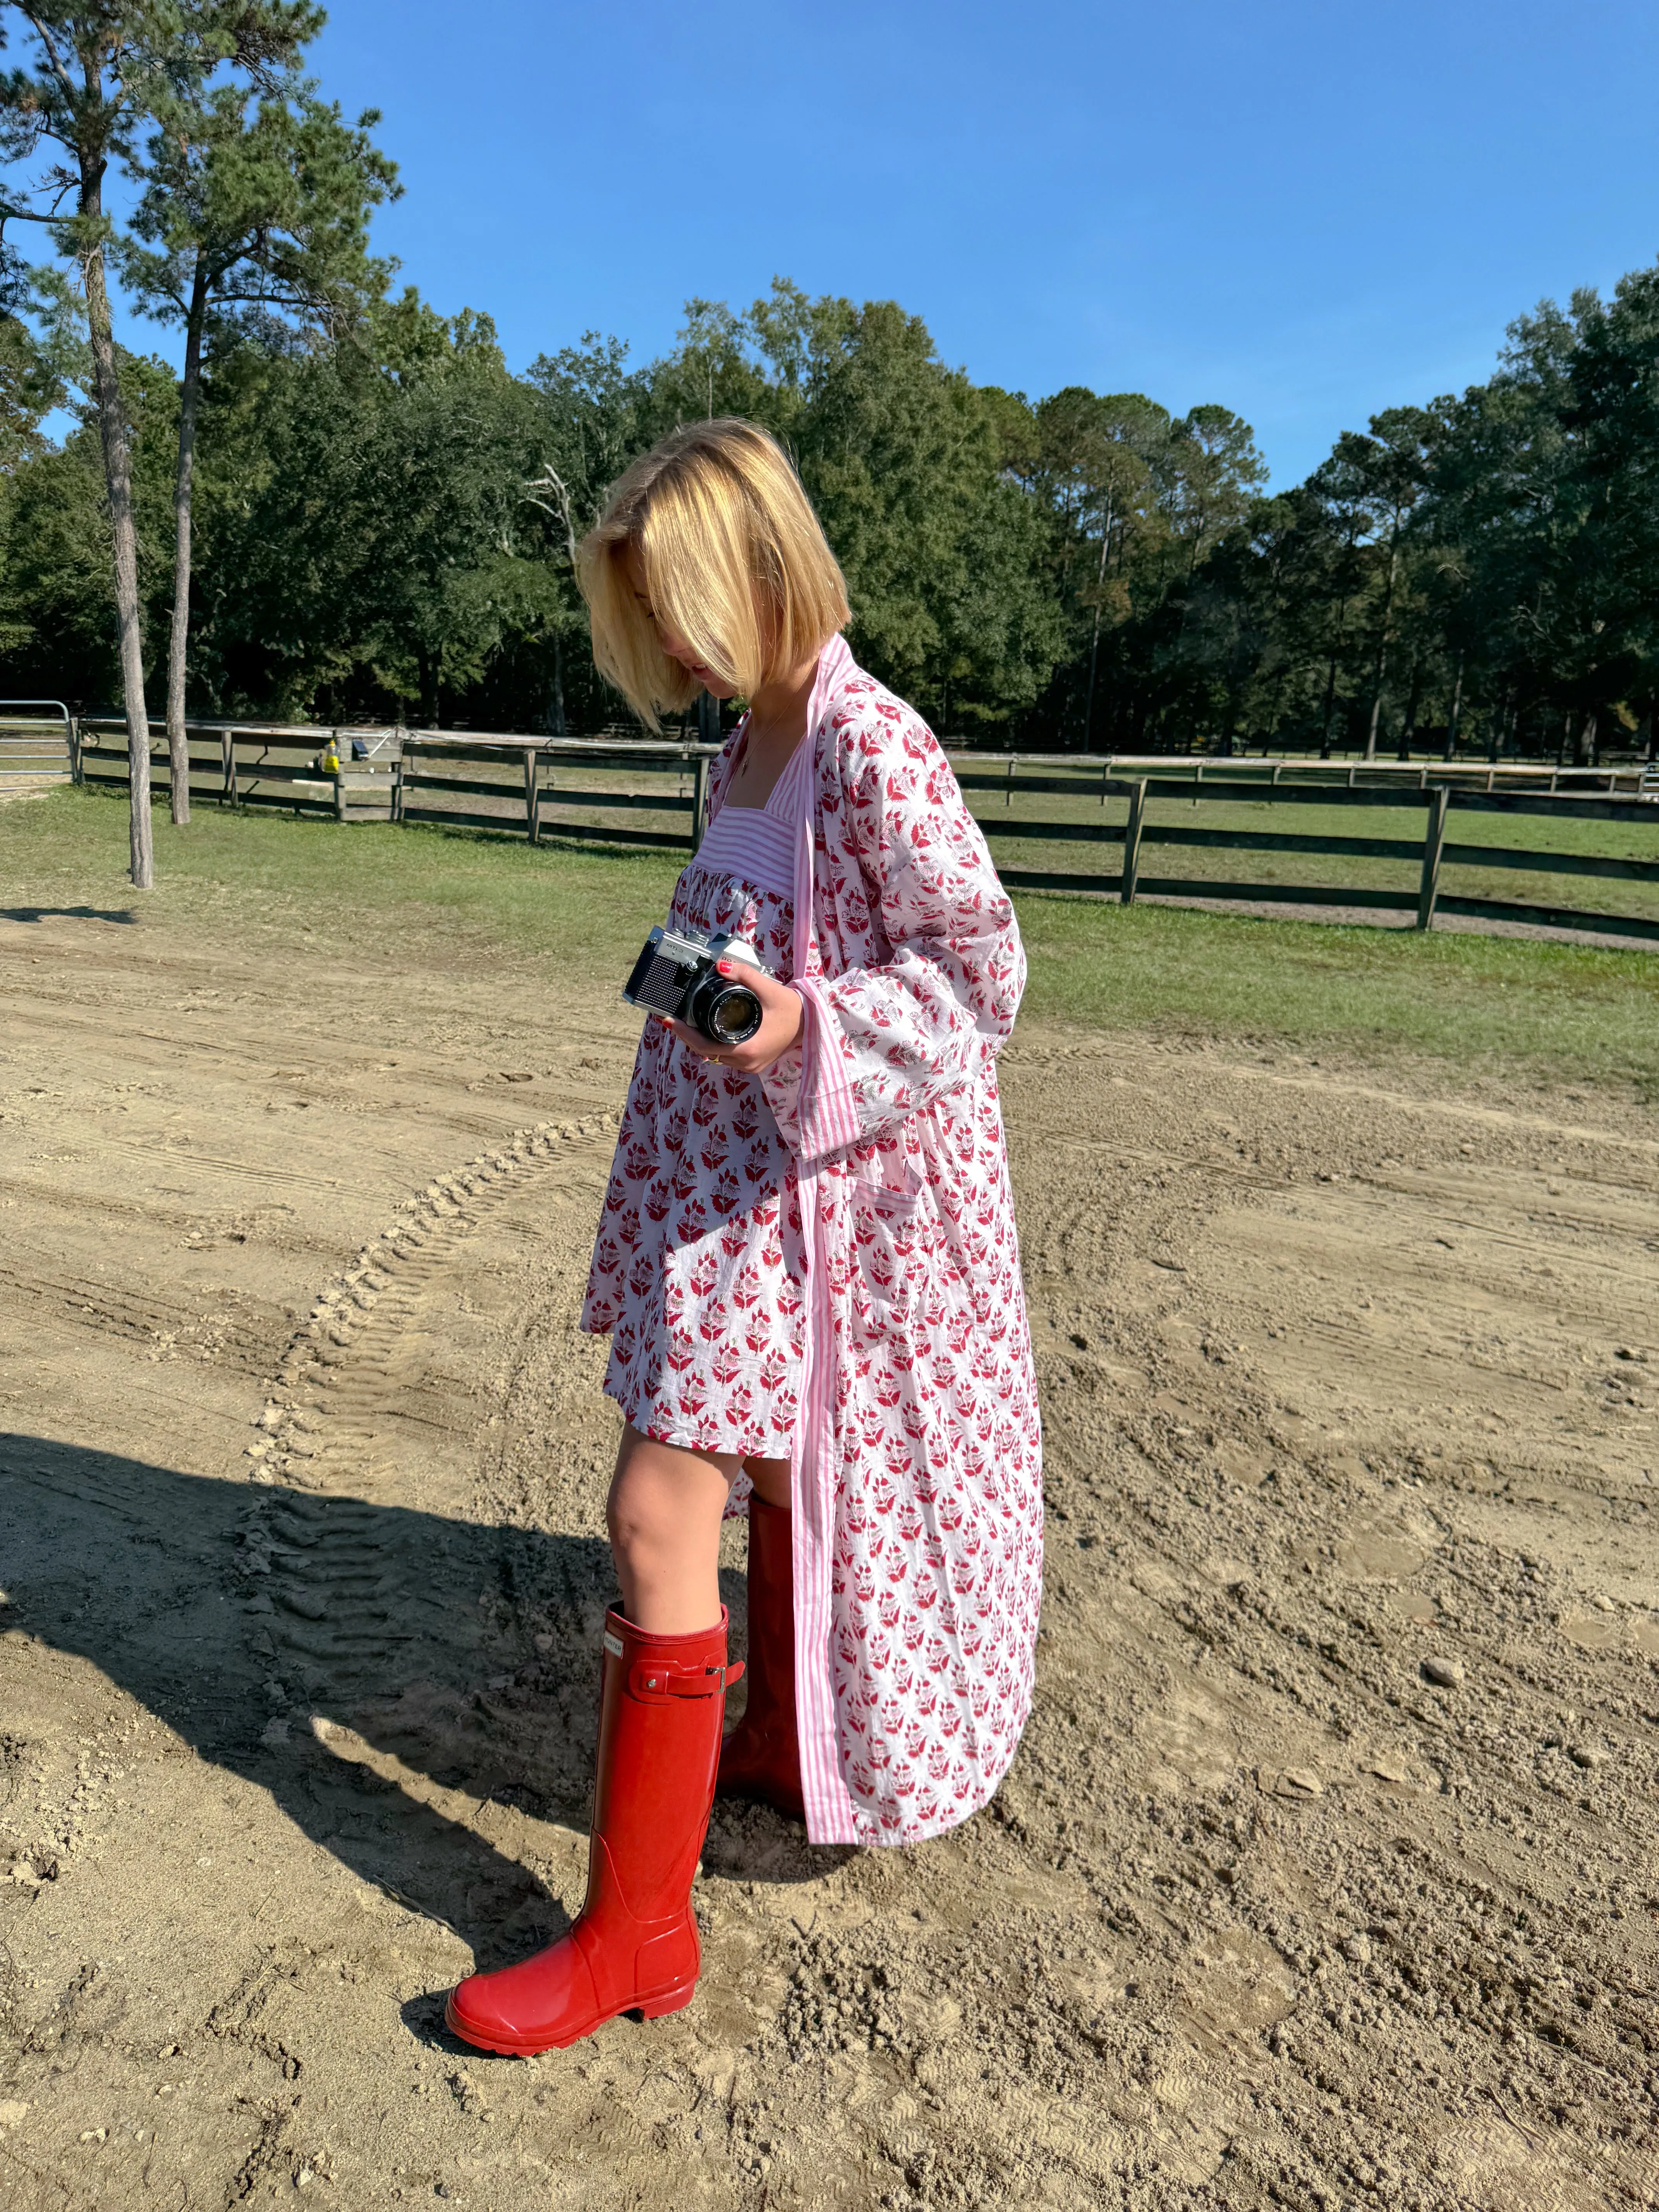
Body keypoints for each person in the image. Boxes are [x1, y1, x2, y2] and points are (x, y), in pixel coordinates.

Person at [446, 419, 1042, 2057]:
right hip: (733, 1207)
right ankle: (776, 1738)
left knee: (656, 1509)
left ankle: (639, 1936)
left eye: (681, 612)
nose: (676, 656)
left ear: (762, 569)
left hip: (823, 1216)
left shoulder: (867, 745)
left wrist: (799, 1026)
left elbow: (978, 975)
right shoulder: (751, 749)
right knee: (773, 1477)